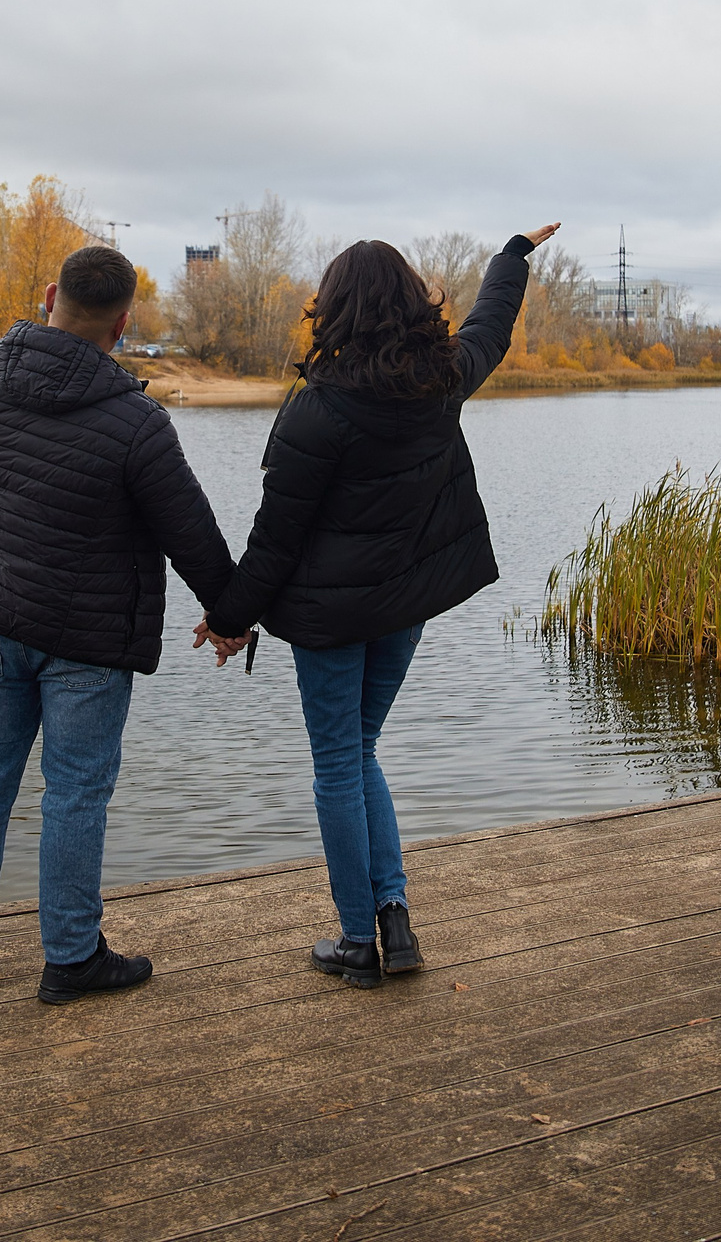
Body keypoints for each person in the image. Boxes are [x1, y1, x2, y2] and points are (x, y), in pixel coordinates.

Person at [0, 205, 239, 1004]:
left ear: (47, 294)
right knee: (75, 792)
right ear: (123, 324)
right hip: (88, 647)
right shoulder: (139, 425)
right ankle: (69, 957)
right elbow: (195, 538)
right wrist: (232, 617)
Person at [198, 224, 560, 988]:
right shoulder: (441, 381)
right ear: (406, 305)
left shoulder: (316, 411)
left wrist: (229, 617)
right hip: (402, 610)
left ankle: (359, 938)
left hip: (332, 623)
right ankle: (392, 918)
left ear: (331, 311)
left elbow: (273, 543)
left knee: (339, 761)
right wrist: (512, 255)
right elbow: (489, 327)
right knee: (360, 753)